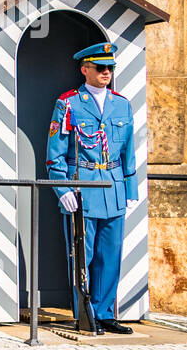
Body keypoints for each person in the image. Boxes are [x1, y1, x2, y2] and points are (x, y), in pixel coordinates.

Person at [46, 42, 137, 335]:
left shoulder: (121, 104)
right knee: (82, 255)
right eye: (100, 68)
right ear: (85, 69)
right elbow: (54, 155)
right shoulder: (69, 103)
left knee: (110, 254)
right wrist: (63, 190)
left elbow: (129, 152)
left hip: (113, 188)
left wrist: (130, 190)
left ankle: (105, 312)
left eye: (110, 68)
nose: (106, 72)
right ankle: (85, 313)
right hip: (82, 189)